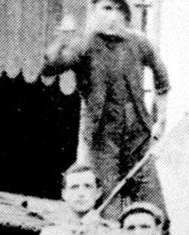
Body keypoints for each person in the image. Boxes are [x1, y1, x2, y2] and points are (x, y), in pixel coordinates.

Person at [41, 0, 170, 219]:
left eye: (119, 9)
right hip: (103, 141)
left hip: (139, 138)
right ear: (94, 11)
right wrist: (62, 39)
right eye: (107, 8)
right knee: (109, 209)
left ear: (127, 15)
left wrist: (161, 119)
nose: (113, 16)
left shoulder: (139, 43)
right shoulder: (85, 44)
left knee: (154, 209)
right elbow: (51, 67)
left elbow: (162, 79)